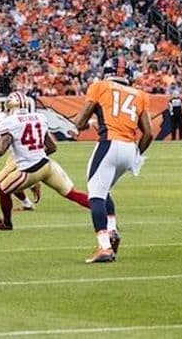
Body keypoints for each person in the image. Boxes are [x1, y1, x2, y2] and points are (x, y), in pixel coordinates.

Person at [0, 92, 89, 231]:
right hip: (47, 165)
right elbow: (52, 147)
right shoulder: (39, 117)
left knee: (3, 189)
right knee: (72, 194)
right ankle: (104, 208)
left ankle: (7, 223)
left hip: (30, 170)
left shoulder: (9, 122)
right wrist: (35, 154)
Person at [74, 58, 153, 263]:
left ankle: (105, 246)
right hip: (129, 149)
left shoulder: (100, 86)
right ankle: (112, 230)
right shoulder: (140, 94)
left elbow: (79, 122)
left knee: (95, 195)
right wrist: (136, 154)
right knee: (104, 190)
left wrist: (83, 124)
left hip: (109, 144)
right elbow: (148, 133)